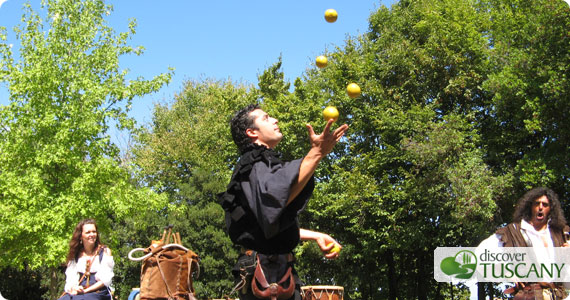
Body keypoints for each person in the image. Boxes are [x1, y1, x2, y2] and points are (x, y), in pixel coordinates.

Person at [218, 104, 349, 300]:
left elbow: (272, 218)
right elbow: (276, 203)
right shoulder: (253, 164)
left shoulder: (259, 164)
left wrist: (316, 236)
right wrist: (316, 153)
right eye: (266, 118)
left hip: (277, 270)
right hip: (265, 275)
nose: (275, 120)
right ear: (252, 132)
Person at [477, 187, 570, 299]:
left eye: (545, 205)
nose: (540, 207)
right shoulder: (512, 232)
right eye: (537, 204)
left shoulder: (561, 234)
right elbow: (479, 256)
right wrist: (506, 273)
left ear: (551, 209)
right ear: (530, 207)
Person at [58, 219, 114, 300]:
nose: (92, 234)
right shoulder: (75, 254)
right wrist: (74, 288)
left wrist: (85, 291)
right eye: (88, 232)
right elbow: (71, 278)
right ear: (81, 236)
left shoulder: (105, 252)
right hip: (80, 292)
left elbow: (105, 281)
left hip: (98, 292)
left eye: (94, 232)